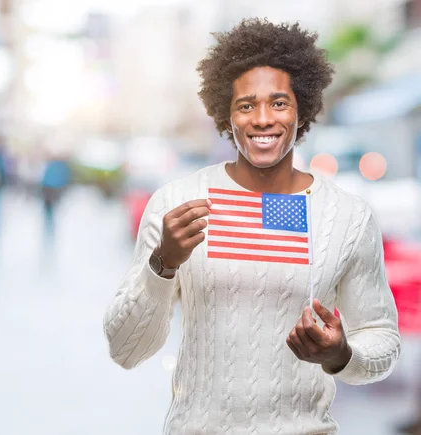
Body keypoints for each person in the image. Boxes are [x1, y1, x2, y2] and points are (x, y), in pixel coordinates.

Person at [103, 19, 400, 434]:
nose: (263, 118)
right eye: (247, 105)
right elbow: (125, 349)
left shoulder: (347, 217)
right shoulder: (177, 204)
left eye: (279, 103)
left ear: (303, 108)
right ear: (227, 113)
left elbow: (383, 339)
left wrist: (341, 354)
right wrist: (162, 264)